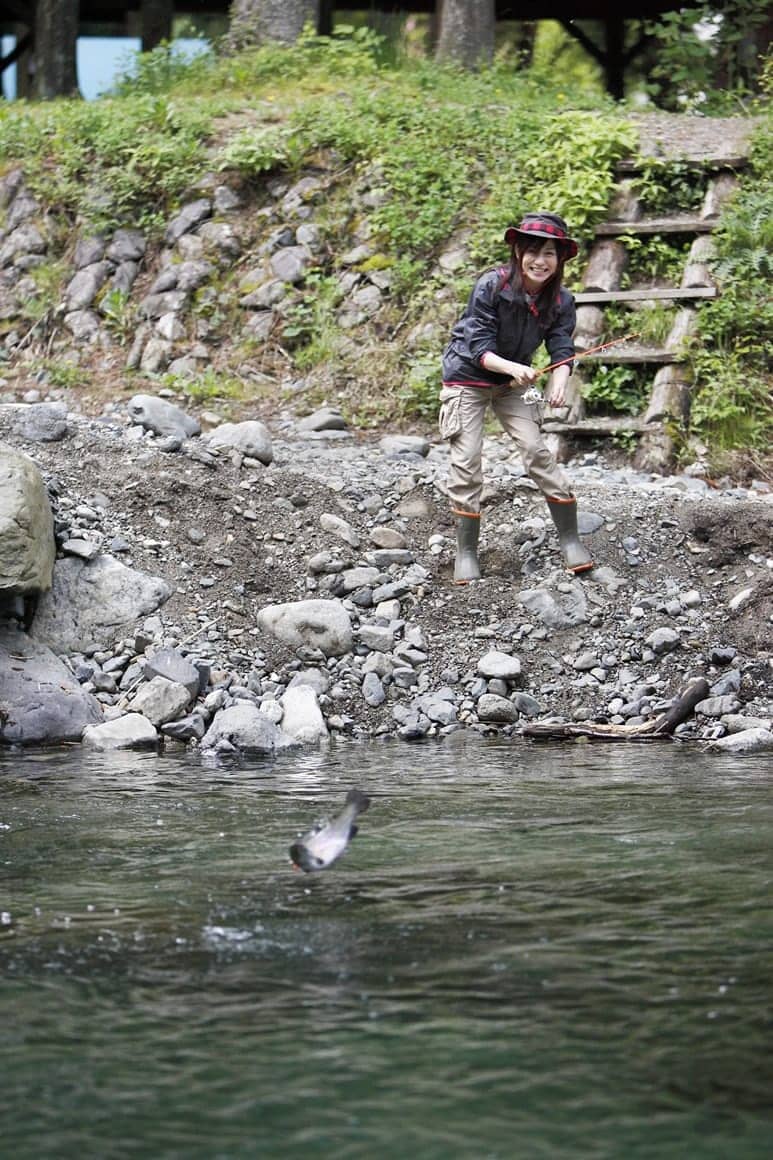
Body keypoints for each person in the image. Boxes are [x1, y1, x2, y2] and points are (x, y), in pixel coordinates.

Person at [439, 210, 593, 583]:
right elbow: (477, 345)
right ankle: (466, 553)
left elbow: (561, 346)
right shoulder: (491, 286)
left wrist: (560, 380)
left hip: (513, 384)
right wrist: (511, 368)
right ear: (519, 252)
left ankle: (570, 540)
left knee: (536, 450)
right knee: (467, 460)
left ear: (560, 261)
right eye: (534, 252)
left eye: (550, 255)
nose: (541, 261)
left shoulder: (562, 300)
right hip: (468, 379)